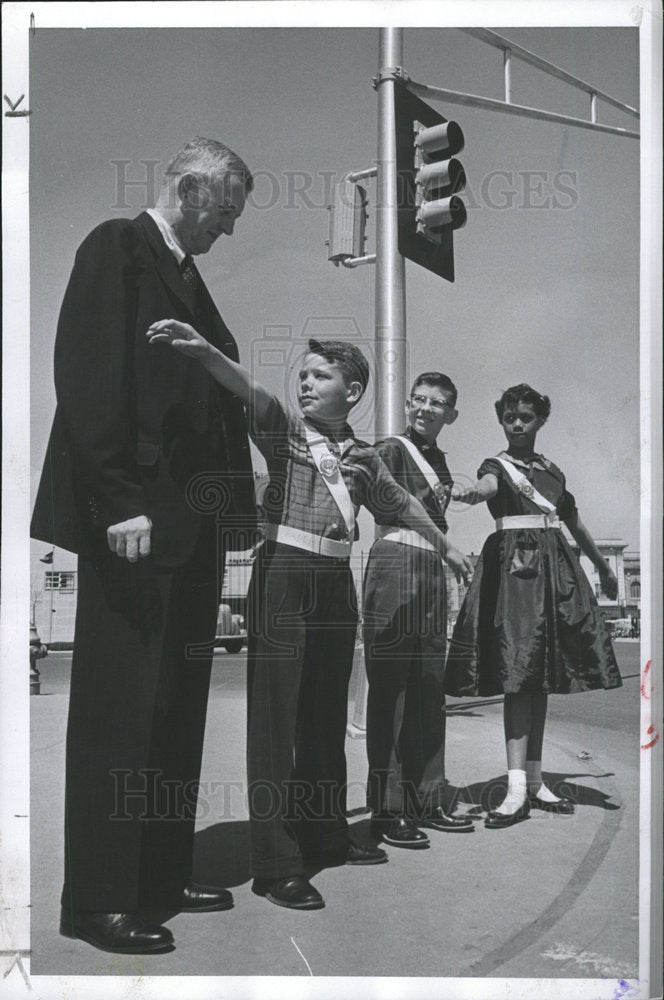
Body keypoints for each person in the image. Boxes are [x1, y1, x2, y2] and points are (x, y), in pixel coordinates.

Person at [146, 323, 474, 909]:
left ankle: (325, 833)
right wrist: (206, 353)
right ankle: (276, 863)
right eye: (304, 373)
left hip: (335, 580)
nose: (305, 383)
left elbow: (402, 507)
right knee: (276, 721)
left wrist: (449, 549)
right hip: (285, 574)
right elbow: (253, 392)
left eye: (321, 376)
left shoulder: (366, 456)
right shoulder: (286, 431)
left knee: (324, 715)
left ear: (353, 391)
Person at [30, 138, 258, 954]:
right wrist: (119, 501)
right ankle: (96, 898)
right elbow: (88, 378)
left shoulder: (189, 281)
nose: (226, 230)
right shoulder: (115, 247)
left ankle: (159, 875)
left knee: (173, 710)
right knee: (118, 712)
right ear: (192, 190)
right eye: (224, 212)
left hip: (188, 529)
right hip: (135, 523)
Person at [445, 383, 622, 828]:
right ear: (501, 419)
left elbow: (572, 520)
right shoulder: (497, 465)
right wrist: (473, 493)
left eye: (525, 417)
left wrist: (602, 567)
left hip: (555, 572)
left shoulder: (551, 470)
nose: (517, 423)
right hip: (516, 574)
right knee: (519, 675)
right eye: (510, 417)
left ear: (540, 420)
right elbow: (487, 486)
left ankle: (536, 781)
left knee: (540, 678)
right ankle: (515, 789)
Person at [363, 373, 474, 848]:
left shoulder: (440, 463)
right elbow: (384, 503)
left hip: (432, 569)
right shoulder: (390, 449)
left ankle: (427, 797)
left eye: (438, 403)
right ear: (408, 404)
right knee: (391, 689)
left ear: (451, 413)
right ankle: (388, 810)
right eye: (420, 400)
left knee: (430, 687)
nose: (426, 409)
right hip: (396, 562)